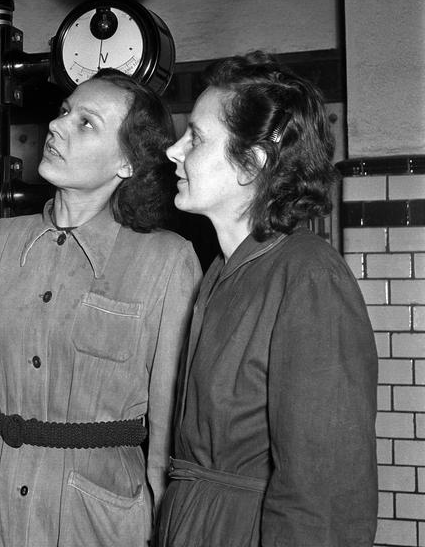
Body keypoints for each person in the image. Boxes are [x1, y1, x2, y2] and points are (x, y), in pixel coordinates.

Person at [0, 68, 201, 547]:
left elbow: (173, 435)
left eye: (86, 123)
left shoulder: (167, 262)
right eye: (65, 111)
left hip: (97, 527)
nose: (57, 125)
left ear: (127, 163)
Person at [155, 51, 378, 547]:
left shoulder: (308, 275)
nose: (173, 151)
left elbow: (326, 495)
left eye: (195, 137)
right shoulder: (221, 273)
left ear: (250, 165)